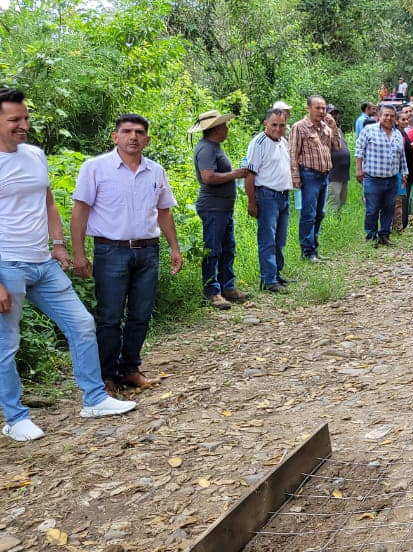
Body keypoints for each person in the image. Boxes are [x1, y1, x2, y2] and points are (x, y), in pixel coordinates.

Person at [0, 88, 137, 442]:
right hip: (6, 265)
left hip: (42, 262)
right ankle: (15, 418)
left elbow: (48, 204)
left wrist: (58, 245)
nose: (23, 125)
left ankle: (94, 399)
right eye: (14, 119)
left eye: (25, 118)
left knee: (82, 323)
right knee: (7, 344)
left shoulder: (33, 154)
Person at [72, 113, 183, 394]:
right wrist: (78, 253)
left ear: (146, 139)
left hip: (147, 250)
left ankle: (130, 368)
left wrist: (174, 247)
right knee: (109, 316)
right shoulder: (95, 168)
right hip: (111, 251)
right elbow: (80, 210)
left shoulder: (155, 171)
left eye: (138, 132)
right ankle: (107, 376)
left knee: (141, 314)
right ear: (115, 136)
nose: (133, 137)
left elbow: (164, 211)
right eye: (126, 131)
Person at [189, 110, 245, 309]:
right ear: (215, 129)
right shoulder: (206, 149)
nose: (227, 129)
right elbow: (208, 177)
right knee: (213, 250)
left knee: (228, 248)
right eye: (224, 125)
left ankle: (227, 287)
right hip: (213, 207)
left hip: (223, 207)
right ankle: (212, 291)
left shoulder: (214, 147)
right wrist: (235, 174)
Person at [244, 108, 293, 293]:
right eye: (274, 125)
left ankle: (276, 274)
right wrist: (251, 202)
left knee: (280, 240)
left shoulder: (283, 142)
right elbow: (249, 175)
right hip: (267, 196)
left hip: (283, 196)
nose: (278, 129)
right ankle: (268, 280)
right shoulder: (258, 143)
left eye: (282, 125)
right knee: (267, 240)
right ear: (266, 124)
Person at [290, 95, 341, 263]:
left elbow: (336, 146)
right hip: (309, 175)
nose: (321, 111)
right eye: (317, 108)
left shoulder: (325, 127)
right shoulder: (300, 127)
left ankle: (314, 248)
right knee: (309, 214)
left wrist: (334, 127)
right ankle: (307, 251)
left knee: (320, 213)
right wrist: (295, 176)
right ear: (308, 109)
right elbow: (293, 154)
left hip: (324, 175)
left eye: (323, 108)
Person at [355, 104, 407, 247]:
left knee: (389, 208)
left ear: (395, 118)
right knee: (372, 209)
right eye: (386, 115)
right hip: (372, 178)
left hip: (391, 178)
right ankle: (371, 236)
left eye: (392, 116)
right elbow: (359, 151)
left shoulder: (397, 134)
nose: (389, 118)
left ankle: (384, 235)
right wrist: (358, 169)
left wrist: (404, 173)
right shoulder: (368, 130)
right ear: (379, 115)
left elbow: (401, 155)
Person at [325, 104, 352, 214]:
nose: (334, 116)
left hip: (343, 174)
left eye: (336, 114)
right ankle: (331, 227)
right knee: (333, 204)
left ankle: (337, 224)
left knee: (341, 203)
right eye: (331, 114)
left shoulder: (339, 131)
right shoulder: (323, 131)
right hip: (332, 175)